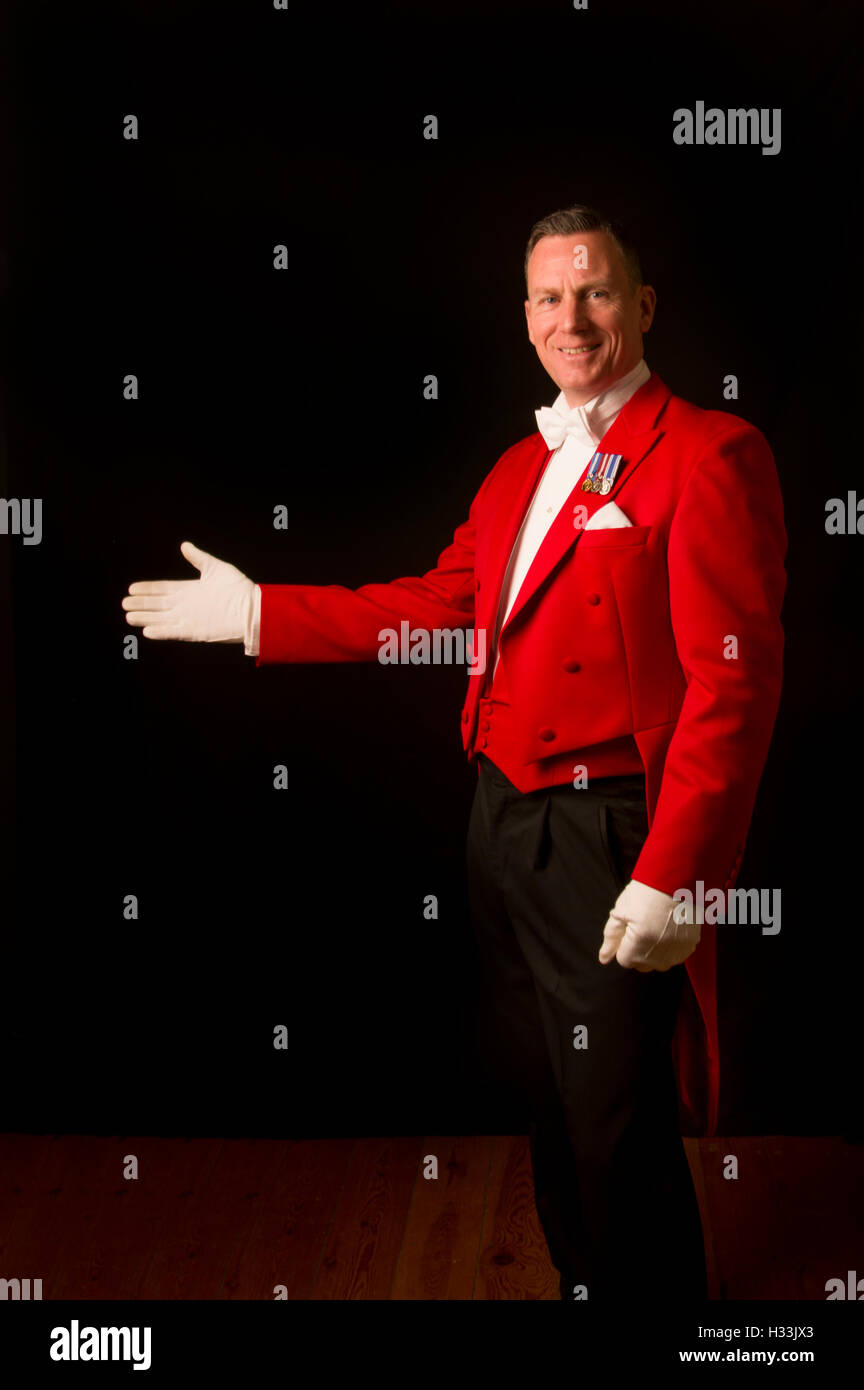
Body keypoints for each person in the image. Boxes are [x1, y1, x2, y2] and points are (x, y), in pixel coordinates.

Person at [123, 205, 787, 1301]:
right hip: (503, 819)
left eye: (596, 291)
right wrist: (263, 616)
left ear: (644, 306)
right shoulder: (515, 468)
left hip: (612, 831)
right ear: (525, 318)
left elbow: (735, 684)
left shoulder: (714, 454)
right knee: (555, 1099)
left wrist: (678, 872)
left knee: (616, 1118)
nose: (571, 317)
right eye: (547, 297)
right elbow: (437, 607)